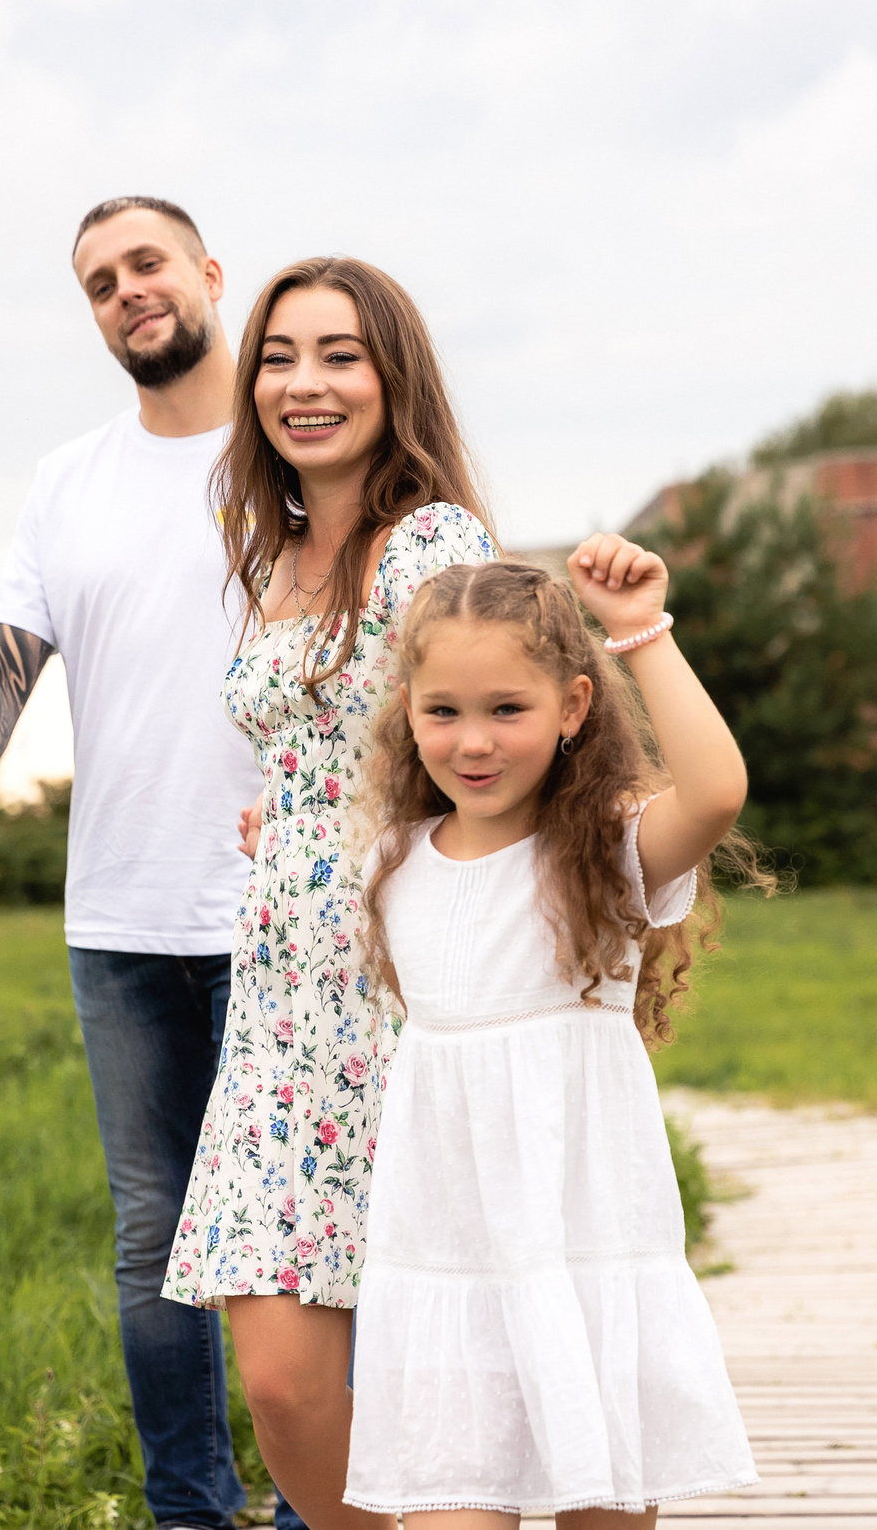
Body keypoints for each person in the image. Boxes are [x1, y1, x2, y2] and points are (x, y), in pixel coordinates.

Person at [0, 196, 301, 1530]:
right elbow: (7, 650)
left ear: (208, 275)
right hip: (120, 917)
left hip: (287, 913)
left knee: (300, 1234)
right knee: (155, 1237)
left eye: (146, 264)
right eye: (98, 282)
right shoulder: (67, 477)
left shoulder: (298, 450)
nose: (126, 291)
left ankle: (322, 1505)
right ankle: (189, 1503)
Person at [161, 256, 498, 1529]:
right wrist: (295, 816)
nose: (304, 384)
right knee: (285, 1385)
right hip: (280, 1008)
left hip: (405, 994)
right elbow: (327, 741)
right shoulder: (278, 554)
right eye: (279, 357)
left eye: (340, 355)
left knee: (440, 1369)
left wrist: (374, 829)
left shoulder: (432, 544)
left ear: (391, 377)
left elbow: (482, 740)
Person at [339, 547, 771, 1527]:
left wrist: (643, 632)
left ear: (574, 707)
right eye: (442, 710)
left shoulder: (604, 852)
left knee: (604, 1512)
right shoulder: (394, 862)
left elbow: (712, 794)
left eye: (508, 709)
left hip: (585, 1245)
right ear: (408, 709)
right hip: (451, 1257)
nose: (472, 741)